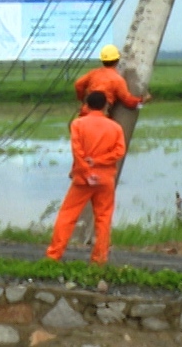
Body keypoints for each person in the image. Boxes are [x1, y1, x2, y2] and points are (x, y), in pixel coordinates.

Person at [46, 90, 127, 264]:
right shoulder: (115, 127)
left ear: (86, 105)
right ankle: (99, 259)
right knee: (104, 219)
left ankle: (54, 256)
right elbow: (119, 151)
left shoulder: (78, 124)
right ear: (106, 106)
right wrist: (99, 161)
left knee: (67, 216)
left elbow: (78, 152)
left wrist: (87, 171)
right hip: (106, 179)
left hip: (83, 179)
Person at [74, 44, 150, 114]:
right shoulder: (117, 79)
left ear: (102, 60)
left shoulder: (93, 73)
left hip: (85, 111)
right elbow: (128, 101)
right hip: (102, 114)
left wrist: (83, 100)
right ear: (117, 60)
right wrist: (142, 100)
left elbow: (78, 84)